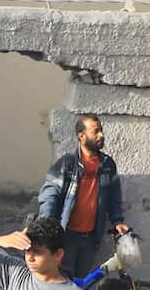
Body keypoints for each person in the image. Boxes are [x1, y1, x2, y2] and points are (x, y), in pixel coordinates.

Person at [39, 114, 130, 276]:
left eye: (101, 130)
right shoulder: (67, 163)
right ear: (81, 136)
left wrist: (117, 221)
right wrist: (46, 227)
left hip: (90, 239)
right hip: (65, 236)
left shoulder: (108, 165)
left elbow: (114, 197)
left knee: (82, 284)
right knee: (61, 283)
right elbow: (49, 195)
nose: (101, 135)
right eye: (95, 132)